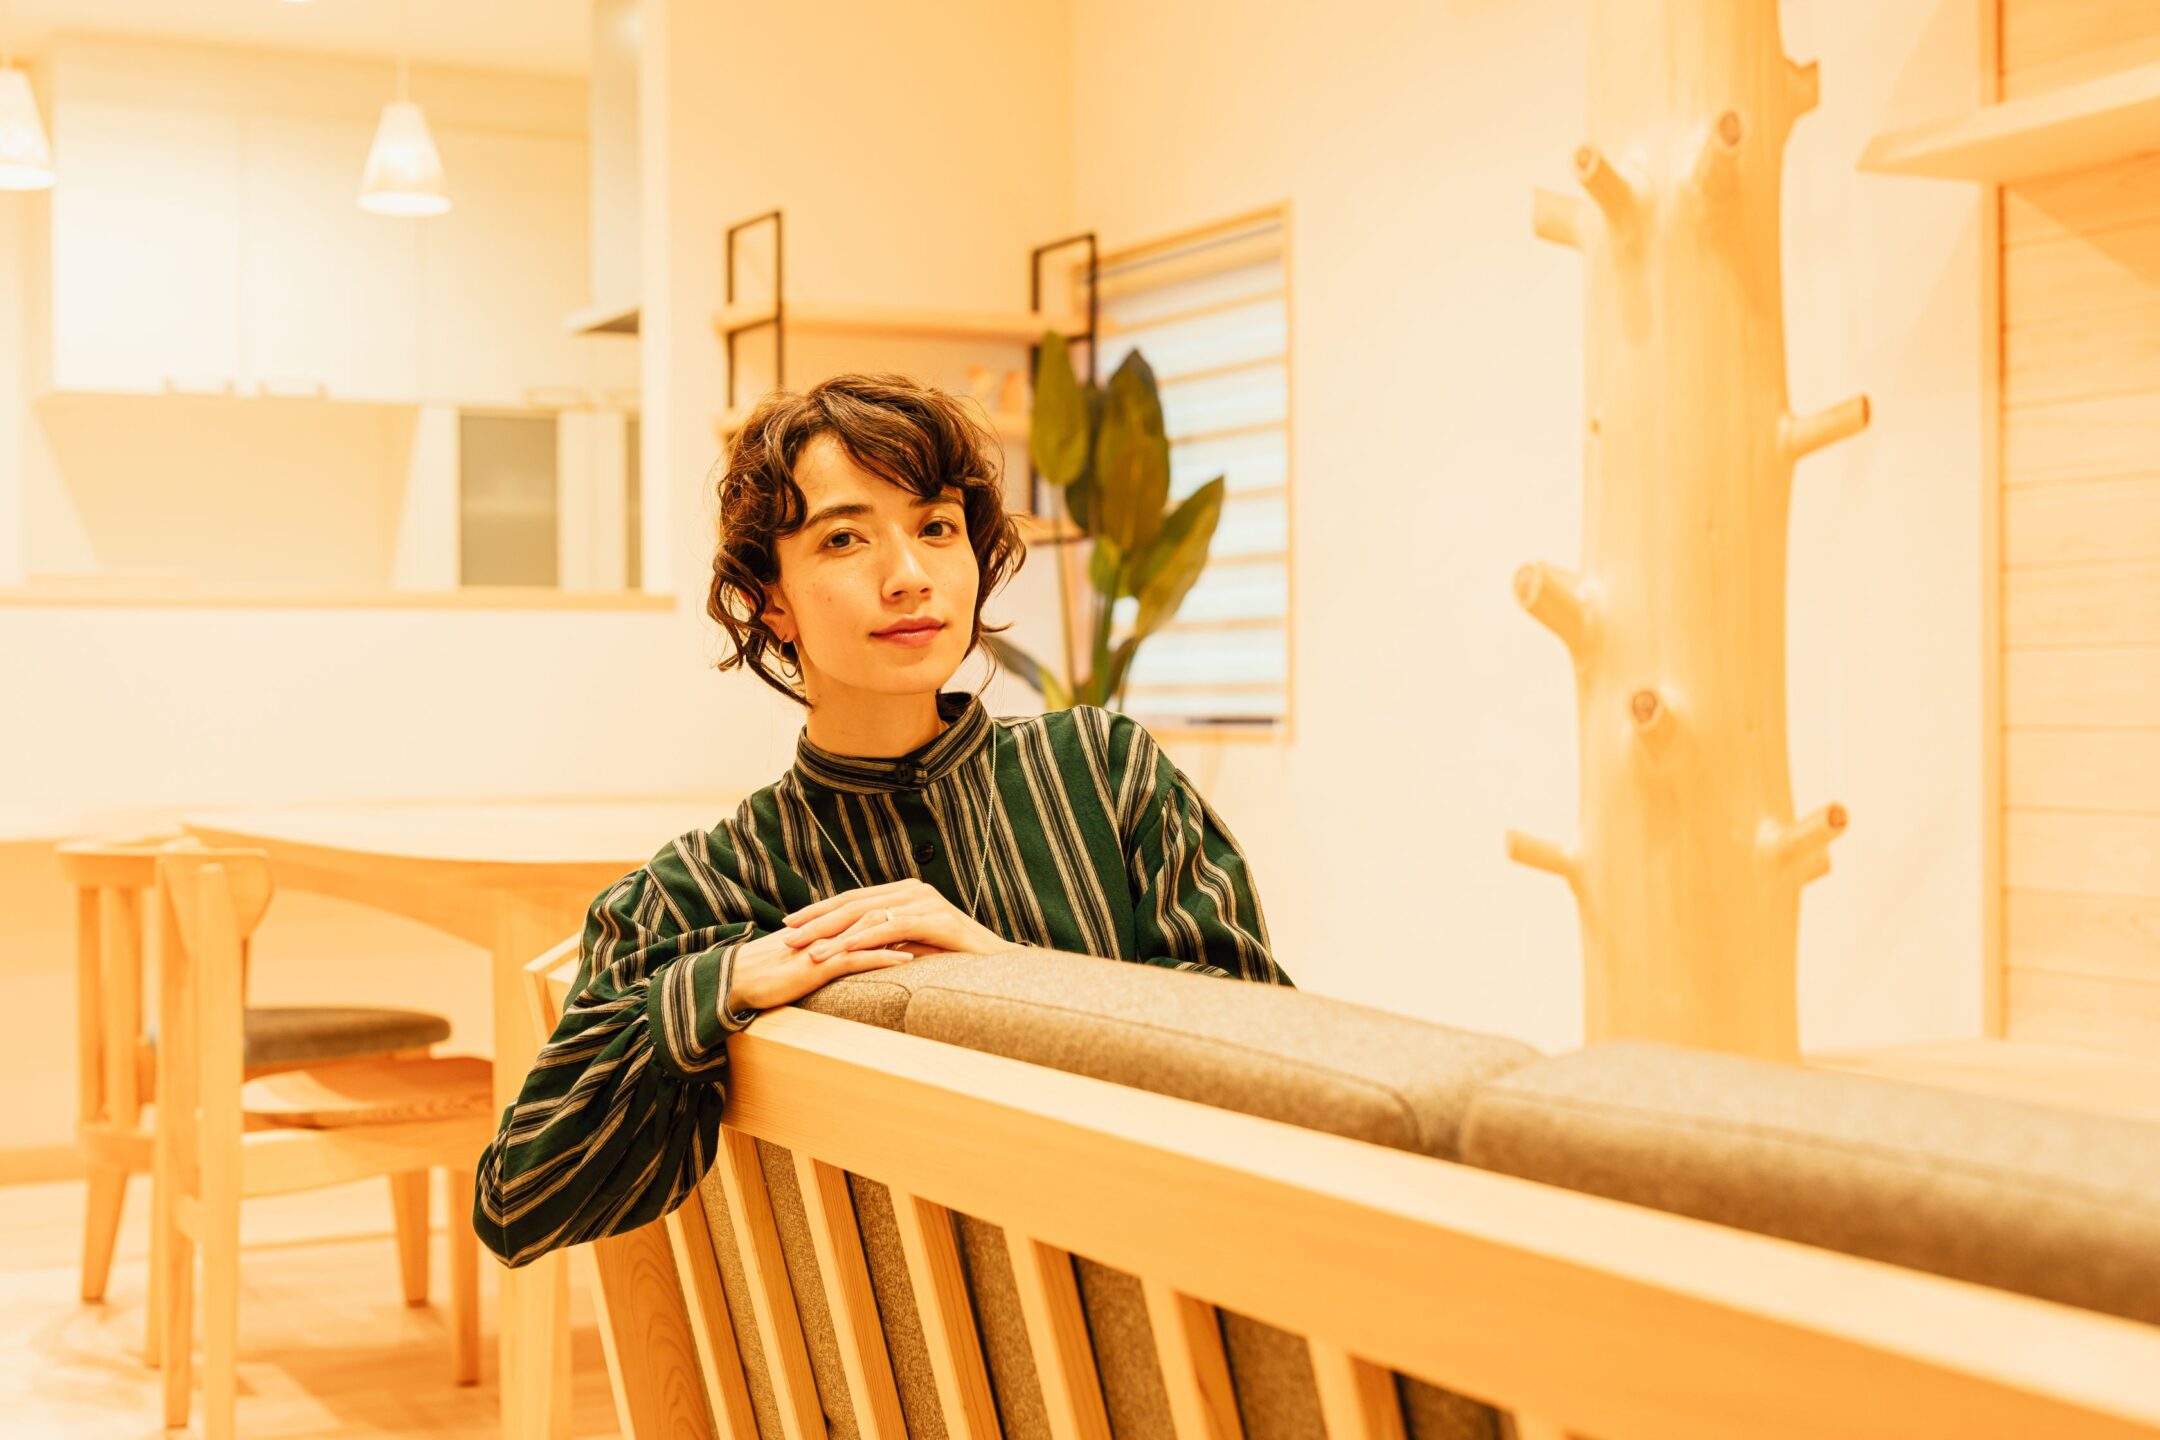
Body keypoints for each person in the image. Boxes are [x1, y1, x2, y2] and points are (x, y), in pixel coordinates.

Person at [473, 371, 1291, 1268]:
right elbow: (518, 1204)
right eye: (845, 538)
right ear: (768, 599)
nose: (908, 577)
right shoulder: (697, 893)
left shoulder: (1104, 774)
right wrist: (722, 980)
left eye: (936, 528)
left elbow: (1269, 1063)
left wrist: (1011, 978)